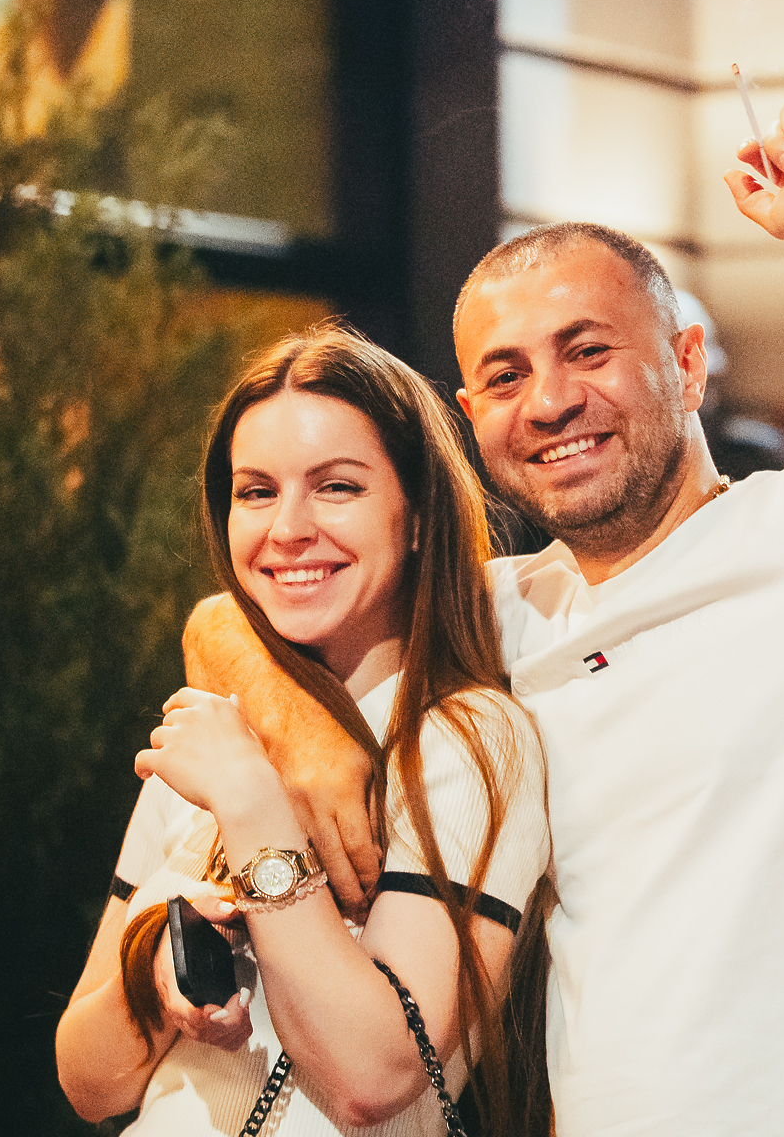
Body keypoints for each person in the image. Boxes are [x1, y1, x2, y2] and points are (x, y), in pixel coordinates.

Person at [184, 90, 784, 1133]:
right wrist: (305, 735)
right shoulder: (496, 618)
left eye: (589, 351)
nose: (551, 401)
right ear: (474, 420)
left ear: (688, 362)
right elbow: (229, 617)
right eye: (507, 375)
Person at [55, 328, 552, 1134]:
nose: (287, 528)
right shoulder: (210, 729)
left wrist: (253, 802)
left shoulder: (469, 738)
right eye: (256, 492)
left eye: (336, 487)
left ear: (418, 516)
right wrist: (153, 973)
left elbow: (375, 1075)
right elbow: (89, 1085)